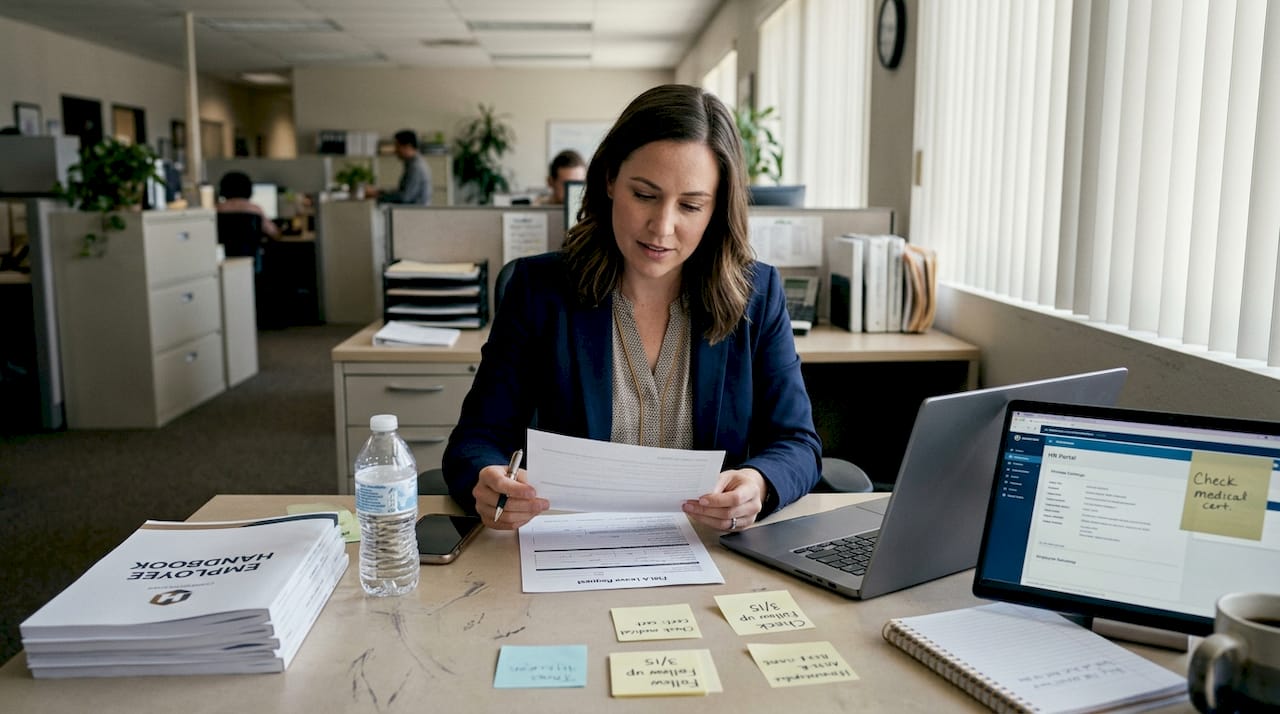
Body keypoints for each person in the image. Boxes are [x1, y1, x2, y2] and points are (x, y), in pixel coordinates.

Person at [442, 84, 822, 533]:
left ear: (716, 209)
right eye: (644, 195)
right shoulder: (538, 290)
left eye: (690, 205)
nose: (662, 227)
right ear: (609, 181)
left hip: (710, 550)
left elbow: (797, 443)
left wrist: (758, 483)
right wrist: (487, 480)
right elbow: (475, 440)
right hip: (573, 544)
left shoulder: (757, 293)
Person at [371, 130, 432, 205]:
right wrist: (380, 192)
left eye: (397, 146)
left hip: (413, 213)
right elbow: (404, 192)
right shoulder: (413, 163)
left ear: (408, 146)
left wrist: (378, 196)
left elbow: (405, 196)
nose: (395, 150)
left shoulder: (416, 167)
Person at [216, 171, 278, 239]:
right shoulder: (255, 210)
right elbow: (274, 233)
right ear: (249, 190)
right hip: (250, 249)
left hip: (220, 249)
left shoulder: (217, 209)